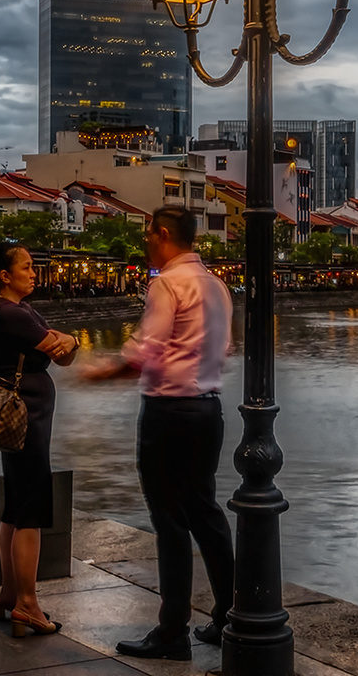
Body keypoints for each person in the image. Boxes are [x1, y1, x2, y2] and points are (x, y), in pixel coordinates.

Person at [85, 206, 235, 660]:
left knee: (169, 520)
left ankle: (172, 632)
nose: (146, 240)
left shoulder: (167, 282)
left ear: (163, 234)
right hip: (208, 410)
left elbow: (146, 350)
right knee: (205, 512)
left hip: (168, 412)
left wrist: (102, 373)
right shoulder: (218, 285)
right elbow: (223, 347)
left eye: (149, 233)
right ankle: (229, 616)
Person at [0, 242, 79, 639]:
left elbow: (64, 352)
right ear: (5, 275)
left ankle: (8, 593)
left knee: (16, 506)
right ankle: (28, 604)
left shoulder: (12, 311)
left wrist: (69, 343)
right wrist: (68, 342)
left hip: (18, 416)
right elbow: (60, 350)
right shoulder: (11, 313)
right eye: (27, 267)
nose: (34, 273)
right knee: (31, 509)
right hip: (26, 418)